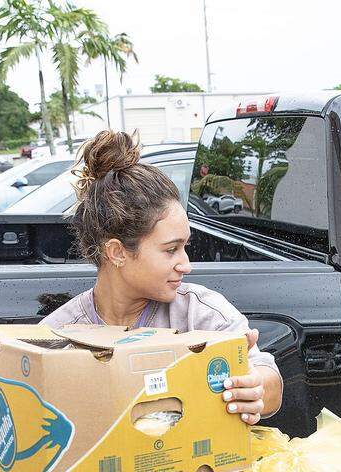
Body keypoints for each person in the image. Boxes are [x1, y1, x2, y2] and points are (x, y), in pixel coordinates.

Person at [40, 130, 282, 424]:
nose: (186, 264)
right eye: (171, 250)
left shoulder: (200, 314)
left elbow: (269, 382)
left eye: (185, 247)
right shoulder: (57, 335)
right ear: (117, 252)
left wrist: (255, 385)